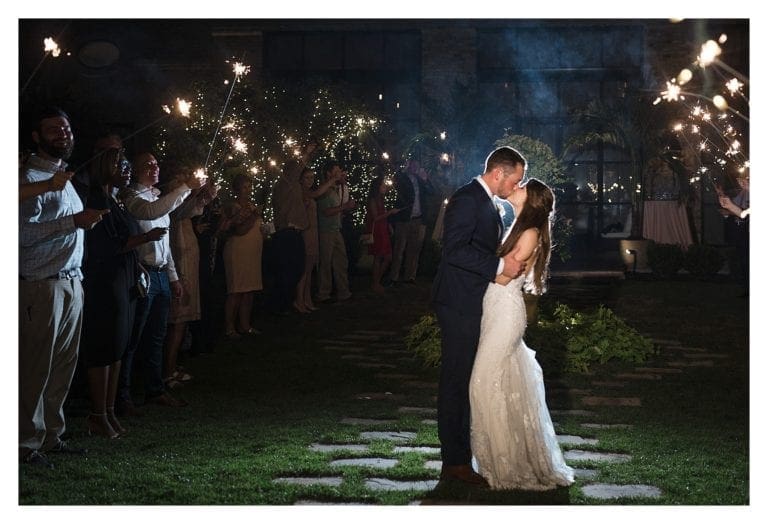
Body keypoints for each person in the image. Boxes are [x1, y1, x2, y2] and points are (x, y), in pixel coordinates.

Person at [431, 146, 527, 485]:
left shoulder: (486, 201)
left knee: (464, 379)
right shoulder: (468, 199)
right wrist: (501, 265)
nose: (518, 184)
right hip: (457, 301)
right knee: (455, 380)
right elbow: (454, 250)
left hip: (470, 300)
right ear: (498, 173)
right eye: (516, 178)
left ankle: (460, 456)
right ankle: (453, 462)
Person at [470, 178, 574, 490]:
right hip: (494, 311)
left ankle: (503, 462)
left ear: (532, 200)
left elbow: (504, 277)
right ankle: (501, 459)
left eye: (524, 185)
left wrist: (475, 268)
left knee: (482, 381)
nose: (518, 186)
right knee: (505, 382)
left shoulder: (528, 233)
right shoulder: (517, 225)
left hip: (506, 313)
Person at [19, 107, 108, 468]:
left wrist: (82, 222)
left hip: (72, 282)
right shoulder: (25, 181)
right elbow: (21, 235)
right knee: (34, 368)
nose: (63, 134)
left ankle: (51, 435)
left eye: (67, 128)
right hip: (40, 286)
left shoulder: (64, 178)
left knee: (62, 366)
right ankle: (23, 443)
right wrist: (73, 221)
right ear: (36, 137)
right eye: (54, 129)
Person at [80, 148, 166, 438]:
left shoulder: (116, 201)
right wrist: (145, 238)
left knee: (119, 345)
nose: (127, 169)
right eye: (121, 165)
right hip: (106, 281)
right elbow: (106, 245)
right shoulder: (97, 200)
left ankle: (110, 410)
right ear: (105, 167)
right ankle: (97, 413)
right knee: (105, 346)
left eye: (128, 164)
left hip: (126, 277)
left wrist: (138, 264)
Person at [117, 152, 203, 412]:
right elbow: (153, 211)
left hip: (161, 276)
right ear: (136, 170)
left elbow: (164, 243)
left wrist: (173, 277)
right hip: (142, 275)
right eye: (147, 165)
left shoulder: (157, 197)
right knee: (134, 337)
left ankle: (155, 389)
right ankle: (122, 395)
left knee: (156, 336)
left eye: (156, 164)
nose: (154, 168)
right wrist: (186, 186)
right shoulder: (132, 197)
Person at [220, 174, 263, 338]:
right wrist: (253, 216)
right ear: (237, 188)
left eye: (250, 186)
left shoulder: (251, 206)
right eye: (245, 187)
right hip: (238, 252)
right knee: (236, 290)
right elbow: (239, 229)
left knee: (249, 290)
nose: (248, 190)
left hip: (252, 252)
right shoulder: (233, 207)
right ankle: (230, 327)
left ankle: (245, 324)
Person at [294, 167, 340, 312]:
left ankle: (307, 299)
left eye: (312, 178)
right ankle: (299, 300)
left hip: (314, 233)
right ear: (300, 179)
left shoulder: (310, 193)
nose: (310, 180)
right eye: (307, 178)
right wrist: (332, 180)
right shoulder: (302, 193)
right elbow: (317, 193)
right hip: (307, 233)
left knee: (310, 269)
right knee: (304, 270)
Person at [389, 159, 434, 284]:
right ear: (409, 166)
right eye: (413, 165)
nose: (415, 168)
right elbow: (395, 181)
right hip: (404, 218)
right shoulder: (402, 177)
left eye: (417, 166)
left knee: (414, 250)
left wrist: (425, 180)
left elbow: (432, 191)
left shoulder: (421, 180)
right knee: (399, 249)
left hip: (418, 219)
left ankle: (410, 276)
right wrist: (402, 169)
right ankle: (394, 276)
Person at [316, 160, 355, 303]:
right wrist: (344, 207)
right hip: (326, 230)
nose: (340, 173)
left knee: (341, 260)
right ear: (329, 173)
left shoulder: (334, 190)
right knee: (326, 262)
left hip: (335, 228)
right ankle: (323, 293)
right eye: (337, 171)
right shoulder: (324, 191)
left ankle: (343, 291)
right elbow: (326, 211)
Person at [365, 171, 400, 294]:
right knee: (379, 256)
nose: (385, 187)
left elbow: (381, 215)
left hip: (383, 229)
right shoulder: (373, 200)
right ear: (377, 187)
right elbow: (375, 217)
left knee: (387, 257)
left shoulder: (380, 199)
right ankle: (375, 283)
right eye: (383, 186)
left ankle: (376, 281)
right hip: (377, 231)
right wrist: (390, 213)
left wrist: (388, 225)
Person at [718, 172, 749, 295]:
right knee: (744, 260)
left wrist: (731, 211)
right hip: (744, 231)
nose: (741, 182)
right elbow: (741, 212)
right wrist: (727, 203)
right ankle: (747, 288)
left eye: (745, 179)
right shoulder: (744, 192)